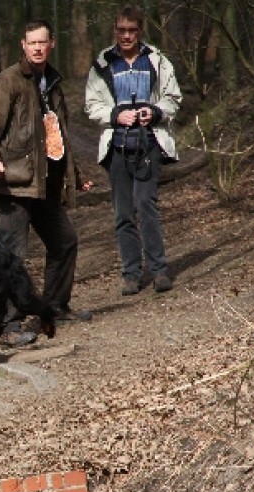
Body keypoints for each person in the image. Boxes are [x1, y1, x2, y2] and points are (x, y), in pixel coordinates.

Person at [0, 19, 93, 347]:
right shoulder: (7, 81)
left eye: (43, 42)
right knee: (10, 256)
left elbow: (58, 135)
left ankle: (54, 308)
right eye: (32, 43)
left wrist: (74, 177)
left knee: (64, 242)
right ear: (23, 46)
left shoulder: (52, 83)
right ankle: (6, 326)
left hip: (44, 184)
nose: (38, 48)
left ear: (51, 44)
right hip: (12, 183)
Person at [84, 4, 182, 296]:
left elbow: (173, 98)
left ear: (140, 31)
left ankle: (158, 269)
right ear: (114, 30)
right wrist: (116, 115)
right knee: (123, 212)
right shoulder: (103, 64)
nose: (126, 36)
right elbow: (92, 105)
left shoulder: (157, 61)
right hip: (116, 146)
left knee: (146, 205)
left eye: (132, 30)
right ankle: (131, 274)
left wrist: (155, 112)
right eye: (121, 30)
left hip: (149, 143)